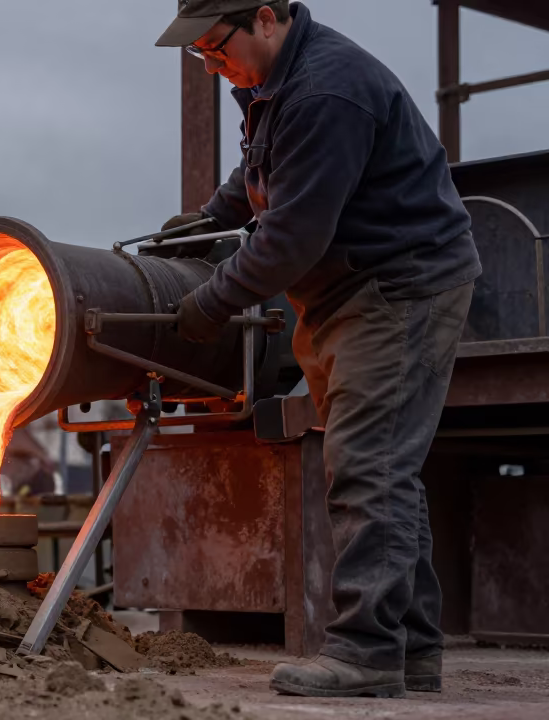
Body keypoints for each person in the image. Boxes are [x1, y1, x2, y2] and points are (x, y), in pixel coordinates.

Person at [153, 0, 482, 699]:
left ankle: (365, 654)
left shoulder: (328, 90)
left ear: (265, 17)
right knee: (382, 469)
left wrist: (209, 304)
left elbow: (290, 239)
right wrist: (212, 217)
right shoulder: (271, 84)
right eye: (198, 56)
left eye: (215, 46)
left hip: (399, 286)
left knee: (368, 467)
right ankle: (411, 650)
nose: (211, 64)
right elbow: (264, 173)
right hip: (341, 295)